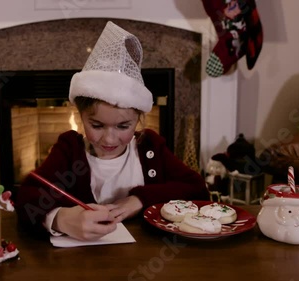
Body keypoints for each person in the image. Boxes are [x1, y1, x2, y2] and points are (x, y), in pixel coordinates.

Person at [15, 21, 209, 241]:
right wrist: (61, 219)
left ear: (138, 120)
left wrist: (140, 199)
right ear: (80, 116)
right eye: (96, 125)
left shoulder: (150, 148)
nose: (109, 138)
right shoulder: (69, 150)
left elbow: (197, 189)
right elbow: (26, 198)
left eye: (123, 126)